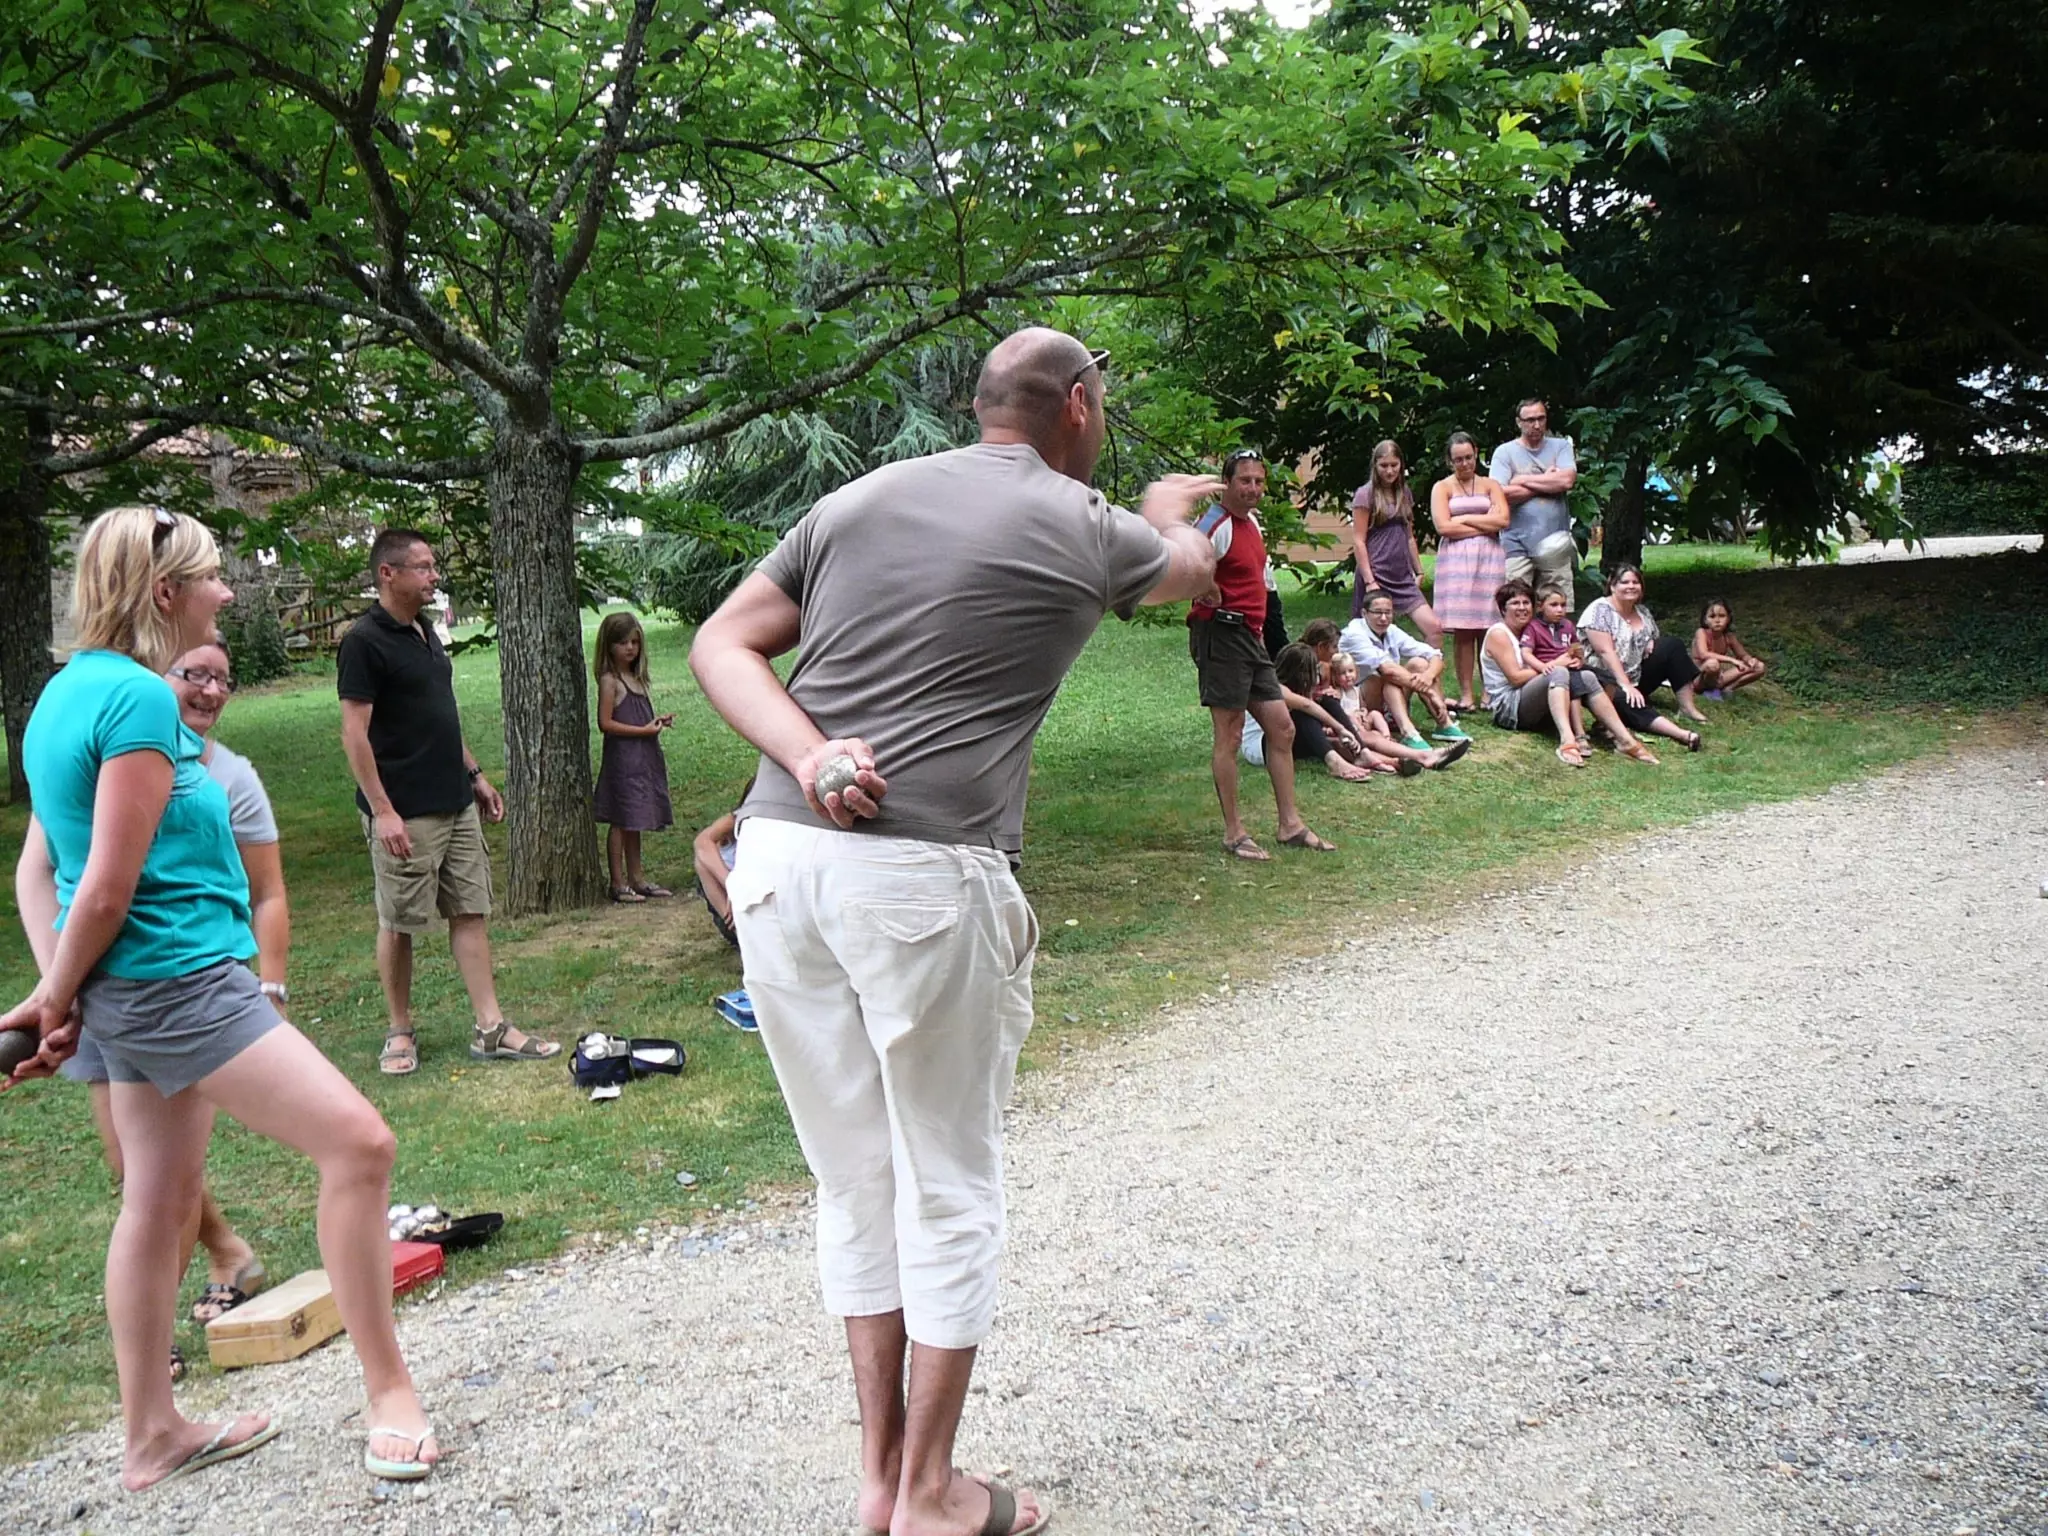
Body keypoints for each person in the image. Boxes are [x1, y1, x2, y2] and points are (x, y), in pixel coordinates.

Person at [688, 326, 1219, 1536]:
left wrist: (808, 753)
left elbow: (721, 641)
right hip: (921, 882)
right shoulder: (1084, 523)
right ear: (1075, 404)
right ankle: (929, 1493)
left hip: (775, 869)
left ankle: (882, 1483)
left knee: (853, 1183)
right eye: (1100, 404)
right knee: (948, 1184)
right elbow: (1190, 567)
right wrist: (1161, 507)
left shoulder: (858, 498)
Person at [3, 506, 437, 1490]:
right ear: (165, 594)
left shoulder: (64, 692)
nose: (228, 591)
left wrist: (60, 990)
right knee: (360, 1146)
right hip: (175, 981)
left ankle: (152, 1435)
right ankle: (390, 1397)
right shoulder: (136, 700)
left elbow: (46, 869)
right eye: (210, 576)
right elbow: (103, 886)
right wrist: (57, 997)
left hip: (127, 986)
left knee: (158, 1200)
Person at [21, 638, 280, 1380]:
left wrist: (271, 985)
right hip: (103, 983)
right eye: (194, 673)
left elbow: (268, 891)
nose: (210, 690)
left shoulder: (227, 775)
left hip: (169, 982)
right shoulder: (111, 732)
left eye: (223, 679)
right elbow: (41, 870)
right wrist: (60, 986)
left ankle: (176, 1317)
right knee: (140, 1173)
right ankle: (218, 1264)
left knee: (167, 1179)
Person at [336, 529, 559, 1075]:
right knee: (398, 921)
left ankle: (491, 1028)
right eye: (423, 567)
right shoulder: (364, 641)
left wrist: (474, 774)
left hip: (454, 801)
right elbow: (354, 734)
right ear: (388, 573)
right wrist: (383, 810)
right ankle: (399, 1031)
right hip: (404, 810)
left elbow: (439, 713)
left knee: (469, 911)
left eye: (434, 566)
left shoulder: (425, 631)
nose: (434, 576)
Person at [1190, 449, 1338, 859]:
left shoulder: (1251, 523)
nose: (1253, 488)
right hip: (1222, 634)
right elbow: (1183, 561)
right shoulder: (1215, 522)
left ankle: (1290, 825)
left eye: (1258, 481)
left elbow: (1261, 583)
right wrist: (1205, 587)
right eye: (1245, 480)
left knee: (1282, 727)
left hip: (1250, 638)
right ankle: (1234, 832)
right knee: (1230, 733)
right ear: (1226, 483)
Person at [1481, 580, 1658, 766]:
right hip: (1509, 707)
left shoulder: (1533, 628)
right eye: (1515, 603)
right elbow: (1516, 678)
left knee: (1587, 677)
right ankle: (1568, 740)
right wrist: (1554, 664)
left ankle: (1625, 741)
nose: (1522, 608)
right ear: (1503, 609)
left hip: (1536, 701)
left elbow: (1570, 647)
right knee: (1558, 672)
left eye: (1526, 603)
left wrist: (1576, 660)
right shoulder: (1499, 634)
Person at [593, 611, 676, 903]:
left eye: (635, 642)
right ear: (609, 646)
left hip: (643, 759)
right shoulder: (611, 681)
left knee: (635, 818)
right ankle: (618, 883)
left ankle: (637, 878)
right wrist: (642, 731)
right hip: (623, 761)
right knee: (621, 819)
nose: (630, 648)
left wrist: (656, 722)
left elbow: (637, 715)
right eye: (623, 643)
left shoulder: (637, 679)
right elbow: (605, 723)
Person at [1579, 564, 1707, 750]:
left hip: (1636, 672)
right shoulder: (1599, 611)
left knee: (1672, 645)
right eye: (1625, 582)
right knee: (1627, 700)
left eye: (1635, 582)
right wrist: (1626, 685)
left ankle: (1688, 708)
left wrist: (1650, 642)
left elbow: (1654, 637)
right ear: (1612, 586)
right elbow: (1606, 652)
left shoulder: (1642, 611)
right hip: (1605, 681)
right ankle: (1681, 734)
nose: (1631, 586)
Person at [1428, 432, 1511, 712]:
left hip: (1489, 562)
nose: (1464, 464)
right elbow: (1444, 527)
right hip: (1456, 565)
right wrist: (1484, 521)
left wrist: (1463, 518)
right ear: (1449, 461)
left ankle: (1489, 691)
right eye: (1458, 460)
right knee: (1464, 630)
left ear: (1476, 454)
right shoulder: (1442, 487)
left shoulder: (1490, 485)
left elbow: (1503, 520)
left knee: (1489, 626)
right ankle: (1466, 694)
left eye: (1468, 457)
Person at [1337, 591, 1465, 747]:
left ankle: (1444, 724)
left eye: (1388, 613)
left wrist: (1428, 676)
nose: (1383, 618)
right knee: (1383, 677)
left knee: (1419, 664)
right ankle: (1408, 732)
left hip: (1390, 696)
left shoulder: (1391, 630)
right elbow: (1387, 669)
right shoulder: (1354, 634)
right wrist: (1430, 693)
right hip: (1362, 702)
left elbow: (1435, 655)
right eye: (1377, 612)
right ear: (1364, 613)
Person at [1347, 439, 1443, 641]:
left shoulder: (1404, 493)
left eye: (1394, 465)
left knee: (1434, 628)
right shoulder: (1365, 495)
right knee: (1374, 637)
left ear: (1401, 464)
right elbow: (1359, 541)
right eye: (1384, 466)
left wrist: (1419, 571)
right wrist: (1370, 581)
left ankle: (1430, 664)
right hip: (1377, 572)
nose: (1389, 471)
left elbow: (1409, 536)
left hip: (1402, 576)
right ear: (1375, 465)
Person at [1489, 397, 1578, 602]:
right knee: (1515, 604)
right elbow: (1499, 494)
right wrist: (1547, 481)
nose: (1536, 425)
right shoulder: (1504, 453)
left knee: (1556, 606)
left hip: (1555, 543)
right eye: (1530, 420)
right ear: (1518, 422)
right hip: (1515, 544)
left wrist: (1521, 480)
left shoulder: (1561, 446)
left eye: (1541, 418)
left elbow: (1566, 481)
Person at [1691, 598, 1768, 698]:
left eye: (1722, 616)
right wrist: (1732, 660)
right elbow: (1703, 654)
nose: (1717, 620)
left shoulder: (1729, 637)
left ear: (1728, 619)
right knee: (1712, 663)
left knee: (1759, 667)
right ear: (1705, 620)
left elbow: (1743, 655)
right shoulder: (1701, 632)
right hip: (1698, 677)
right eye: (1712, 616)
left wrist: (1750, 660)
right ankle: (1707, 691)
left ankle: (1728, 689)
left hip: (1718, 678)